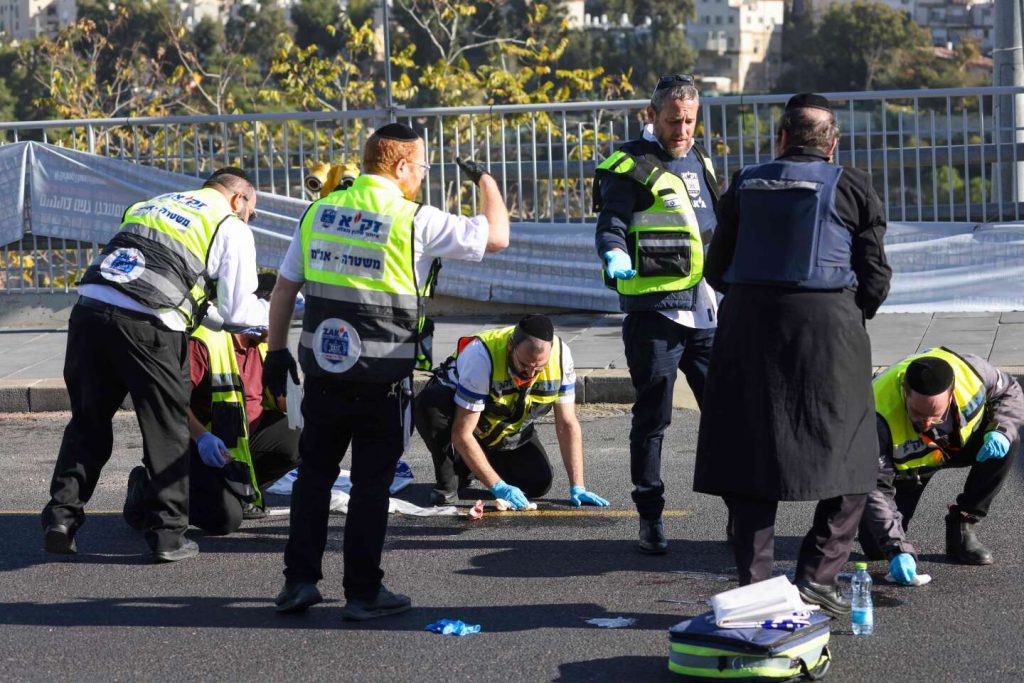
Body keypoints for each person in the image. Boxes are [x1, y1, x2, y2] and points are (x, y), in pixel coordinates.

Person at [263, 123, 510, 620]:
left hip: (324, 373)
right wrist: (485, 179)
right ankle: (363, 592)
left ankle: (298, 582)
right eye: (422, 167)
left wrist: (276, 353)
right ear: (400, 166)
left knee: (314, 477)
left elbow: (285, 288)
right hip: (382, 379)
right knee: (370, 486)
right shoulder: (414, 219)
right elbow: (498, 236)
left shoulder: (318, 212)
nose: (422, 177)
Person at [692, 93, 892, 615]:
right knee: (854, 453)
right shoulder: (852, 184)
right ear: (833, 145)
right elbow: (875, 276)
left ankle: (754, 585)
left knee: (749, 454)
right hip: (827, 327)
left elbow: (716, 269)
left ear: (780, 139)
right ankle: (817, 576)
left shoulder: (745, 182)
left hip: (746, 325)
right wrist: (847, 313)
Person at [42, 168, 270, 563]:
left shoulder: (151, 206)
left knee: (88, 423)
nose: (250, 218)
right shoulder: (229, 225)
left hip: (90, 313)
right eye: (252, 210)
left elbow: (168, 279)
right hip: (150, 327)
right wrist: (280, 311)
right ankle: (168, 535)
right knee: (167, 429)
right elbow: (239, 312)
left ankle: (61, 519)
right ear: (239, 199)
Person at [593, 74, 720, 554]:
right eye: (673, 121)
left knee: (728, 414)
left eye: (689, 121)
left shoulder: (700, 158)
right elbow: (611, 224)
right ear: (651, 115)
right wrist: (612, 252)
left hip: (706, 312)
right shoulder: (629, 165)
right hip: (655, 314)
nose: (682, 130)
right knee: (653, 420)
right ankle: (650, 516)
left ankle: (741, 510)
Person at [122, 274, 300, 535]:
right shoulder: (205, 341)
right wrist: (202, 437)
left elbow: (285, 403)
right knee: (224, 520)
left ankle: (240, 491)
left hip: (236, 443)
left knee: (304, 436)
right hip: (195, 448)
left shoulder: (264, 344)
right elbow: (169, 400)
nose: (284, 322)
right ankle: (148, 489)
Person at [414, 314, 610, 510]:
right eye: (524, 365)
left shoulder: (561, 357)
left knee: (537, 483)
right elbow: (461, 433)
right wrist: (498, 486)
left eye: (539, 368)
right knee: (431, 402)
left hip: (504, 425)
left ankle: (474, 464)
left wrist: (578, 486)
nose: (530, 374)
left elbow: (567, 424)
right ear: (510, 346)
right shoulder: (481, 356)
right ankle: (451, 476)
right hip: (462, 418)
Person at [860, 350, 1023, 585]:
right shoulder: (874, 416)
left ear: (952, 392)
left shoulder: (972, 373)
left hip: (954, 445)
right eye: (917, 414)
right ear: (905, 391)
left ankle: (963, 523)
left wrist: (1002, 430)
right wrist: (896, 547)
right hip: (906, 468)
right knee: (876, 548)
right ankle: (861, 516)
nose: (927, 423)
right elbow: (875, 486)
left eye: (935, 415)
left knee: (1009, 439)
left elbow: (1010, 390)